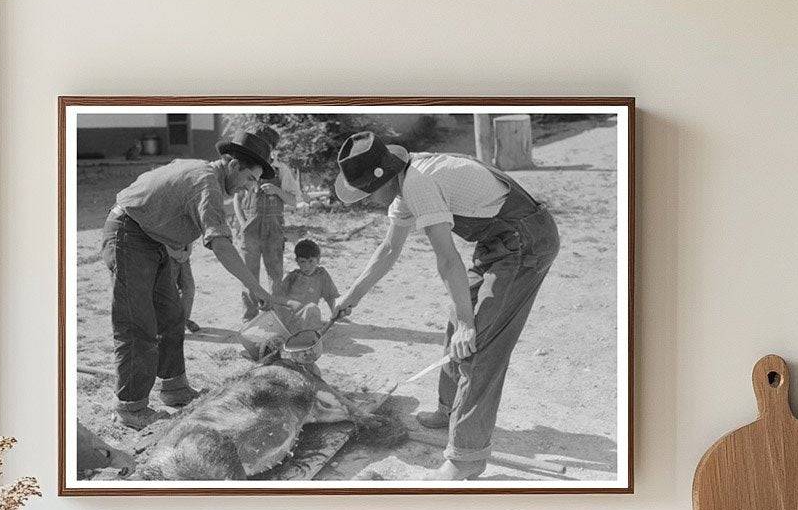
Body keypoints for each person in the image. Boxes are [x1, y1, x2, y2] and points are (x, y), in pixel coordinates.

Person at [332, 132, 559, 481]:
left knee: (478, 341)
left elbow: (447, 260)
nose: (367, 200)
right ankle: (447, 409)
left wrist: (471, 324)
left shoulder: (420, 183)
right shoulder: (406, 181)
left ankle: (466, 459)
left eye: (367, 192)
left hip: (526, 242)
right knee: (458, 314)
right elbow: (389, 250)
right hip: (496, 242)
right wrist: (351, 298)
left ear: (383, 177)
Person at [102, 129, 280, 430]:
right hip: (128, 234)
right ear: (234, 165)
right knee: (138, 323)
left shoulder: (206, 174)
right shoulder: (207, 182)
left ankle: (175, 388)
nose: (250, 189)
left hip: (153, 239)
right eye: (250, 179)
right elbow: (221, 244)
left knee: (172, 316)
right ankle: (131, 408)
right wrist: (257, 288)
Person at [232, 125, 304, 320]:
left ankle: (276, 316)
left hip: (274, 232)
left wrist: (277, 191)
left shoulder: (281, 171)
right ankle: (250, 316)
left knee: (275, 276)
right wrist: (242, 223)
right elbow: (237, 199)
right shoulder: (244, 166)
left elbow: (293, 201)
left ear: (271, 148)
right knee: (248, 276)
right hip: (250, 231)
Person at [277, 238, 339, 336]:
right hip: (292, 318)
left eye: (311, 261)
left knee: (312, 309)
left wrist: (335, 314)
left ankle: (308, 336)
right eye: (303, 262)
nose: (307, 266)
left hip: (310, 316)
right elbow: (278, 298)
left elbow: (330, 296)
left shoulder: (321, 275)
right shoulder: (292, 276)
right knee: (312, 309)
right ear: (297, 261)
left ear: (318, 259)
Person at [165, 242, 200, 333]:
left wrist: (188, 251)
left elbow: (189, 231)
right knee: (167, 291)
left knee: (188, 288)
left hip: (183, 256)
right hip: (167, 256)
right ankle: (167, 324)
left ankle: (183, 321)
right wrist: (173, 253)